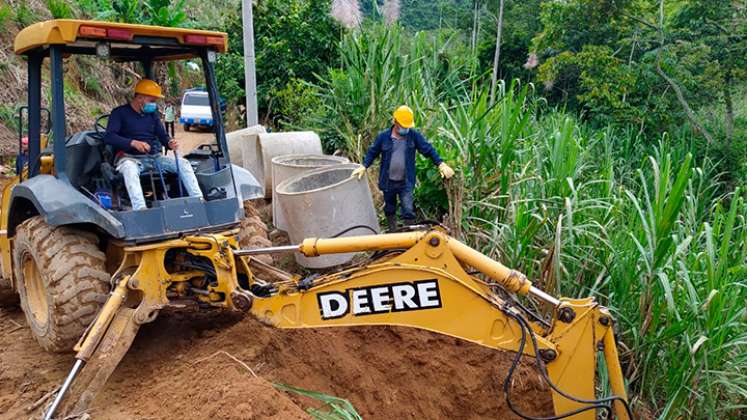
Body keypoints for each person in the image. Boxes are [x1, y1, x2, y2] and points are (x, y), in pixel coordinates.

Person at [104, 79, 203, 211]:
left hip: (154, 158)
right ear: (140, 98)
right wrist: (132, 143)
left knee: (184, 164)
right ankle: (140, 210)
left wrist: (169, 142)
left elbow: (162, 135)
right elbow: (109, 136)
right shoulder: (119, 113)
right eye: (152, 100)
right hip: (129, 158)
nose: (154, 104)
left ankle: (199, 202)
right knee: (129, 169)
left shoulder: (152, 115)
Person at [352, 105, 455, 231]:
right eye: (403, 126)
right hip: (388, 181)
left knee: (407, 209)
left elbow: (428, 149)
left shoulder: (413, 136)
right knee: (390, 208)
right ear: (395, 122)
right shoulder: (383, 137)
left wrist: (440, 164)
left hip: (405, 181)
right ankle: (393, 231)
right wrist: (364, 166)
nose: (405, 129)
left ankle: (408, 235)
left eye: (407, 127)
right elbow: (373, 152)